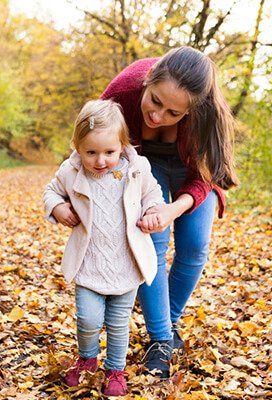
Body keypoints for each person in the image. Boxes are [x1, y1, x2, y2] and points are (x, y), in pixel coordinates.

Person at [99, 46, 240, 378]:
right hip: (147, 168)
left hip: (194, 174)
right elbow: (92, 135)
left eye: (173, 113)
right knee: (153, 243)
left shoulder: (208, 117)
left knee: (195, 246)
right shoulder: (122, 93)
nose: (158, 116)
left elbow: (205, 176)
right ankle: (160, 340)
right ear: (148, 80)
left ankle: (169, 319)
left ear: (192, 110)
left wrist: (173, 209)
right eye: (155, 101)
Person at [42, 99, 165, 396]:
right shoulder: (71, 172)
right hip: (89, 262)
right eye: (91, 153)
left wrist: (153, 211)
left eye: (109, 152)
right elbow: (51, 191)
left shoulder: (136, 169)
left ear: (122, 144)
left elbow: (153, 194)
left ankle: (115, 370)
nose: (100, 161)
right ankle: (86, 359)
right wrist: (58, 207)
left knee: (119, 322)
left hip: (125, 262)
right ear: (77, 146)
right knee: (88, 317)